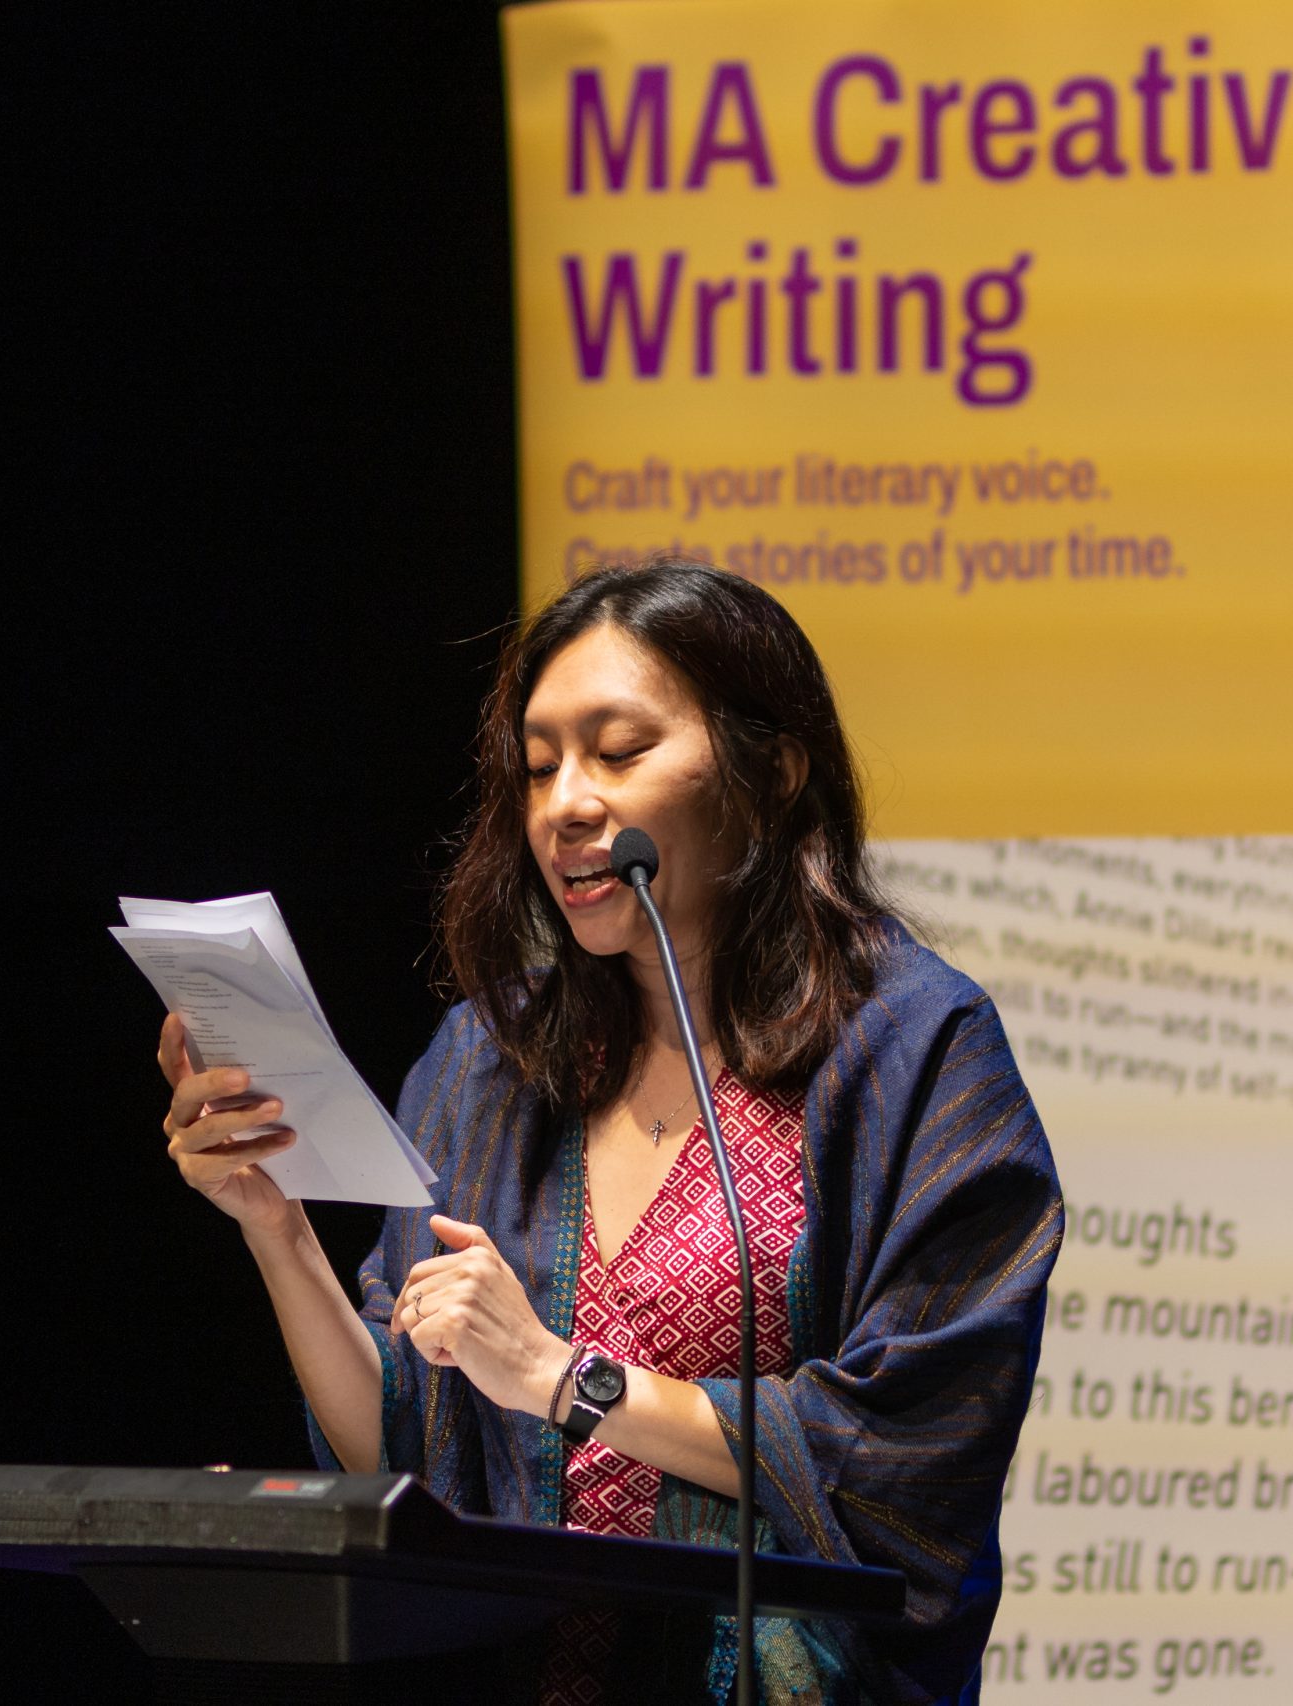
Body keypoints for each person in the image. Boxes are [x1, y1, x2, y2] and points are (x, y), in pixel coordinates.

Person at [156, 560, 1061, 1705]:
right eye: (538, 768)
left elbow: (904, 1453)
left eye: (618, 751)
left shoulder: (915, 1047)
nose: (565, 803)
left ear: (770, 772)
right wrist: (273, 1226)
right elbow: (398, 1443)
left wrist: (559, 1377)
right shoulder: (487, 1058)